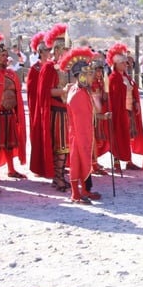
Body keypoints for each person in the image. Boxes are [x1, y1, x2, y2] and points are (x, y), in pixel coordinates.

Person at [59, 47, 102, 204]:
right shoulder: (77, 94)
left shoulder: (83, 92)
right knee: (78, 161)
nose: (92, 77)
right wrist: (85, 137)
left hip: (84, 133)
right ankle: (75, 194)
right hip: (79, 135)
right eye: (89, 74)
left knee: (85, 160)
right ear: (82, 76)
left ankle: (84, 190)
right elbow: (80, 120)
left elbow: (89, 114)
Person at [33, 24, 71, 190]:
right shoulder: (49, 67)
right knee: (60, 147)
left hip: (67, 111)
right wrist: (63, 90)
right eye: (64, 49)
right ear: (56, 50)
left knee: (66, 147)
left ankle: (61, 175)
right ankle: (58, 177)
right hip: (56, 112)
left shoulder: (68, 67)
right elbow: (46, 92)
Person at [0, 34, 27, 181]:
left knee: (10, 144)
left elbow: (17, 94)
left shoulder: (11, 73)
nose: (6, 58)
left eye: (6, 55)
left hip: (10, 113)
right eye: (3, 56)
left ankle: (11, 169)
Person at [107, 43, 143, 172]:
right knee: (117, 134)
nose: (125, 65)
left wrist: (136, 103)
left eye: (125, 63)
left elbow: (132, 92)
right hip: (119, 111)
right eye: (122, 63)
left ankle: (129, 161)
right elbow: (113, 97)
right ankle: (116, 162)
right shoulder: (112, 78)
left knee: (129, 135)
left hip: (128, 111)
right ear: (116, 64)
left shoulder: (127, 77)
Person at [26, 31, 48, 171]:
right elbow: (32, 94)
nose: (49, 52)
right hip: (39, 109)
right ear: (40, 51)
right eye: (46, 50)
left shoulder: (52, 66)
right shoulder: (35, 69)